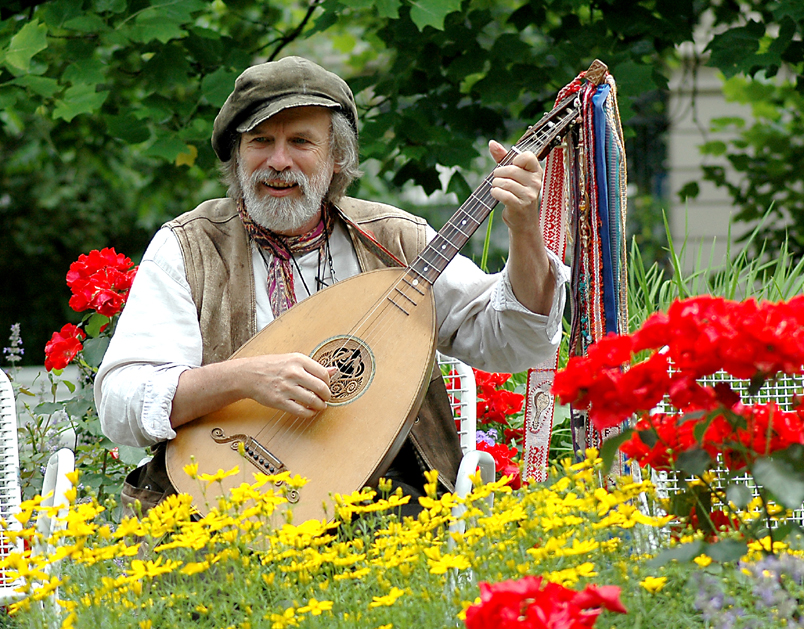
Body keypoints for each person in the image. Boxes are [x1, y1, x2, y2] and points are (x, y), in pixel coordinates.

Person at [94, 56, 568, 515]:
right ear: (238, 154)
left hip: (384, 501)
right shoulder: (190, 247)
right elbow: (121, 401)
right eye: (260, 141)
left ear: (337, 158)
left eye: (301, 141)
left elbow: (515, 343)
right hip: (217, 501)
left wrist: (525, 231)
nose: (278, 161)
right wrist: (243, 379)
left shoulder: (396, 240)